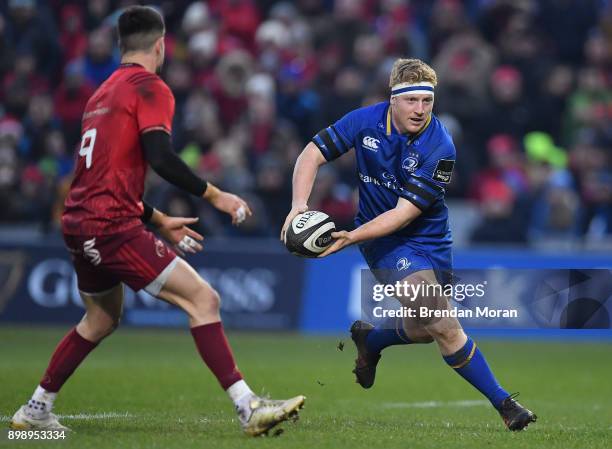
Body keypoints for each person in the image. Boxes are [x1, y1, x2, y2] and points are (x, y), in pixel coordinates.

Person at [10, 6, 304, 437]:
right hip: (109, 224)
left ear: (121, 46)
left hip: (80, 221)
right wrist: (216, 195)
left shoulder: (101, 94)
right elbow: (162, 157)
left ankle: (35, 411)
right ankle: (248, 407)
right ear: (161, 45)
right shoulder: (151, 87)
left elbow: (102, 175)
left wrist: (158, 218)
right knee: (203, 301)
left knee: (100, 319)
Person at [281, 58, 536, 431]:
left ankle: (373, 340)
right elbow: (311, 154)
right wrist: (298, 208)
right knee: (446, 327)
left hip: (428, 237)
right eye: (412, 100)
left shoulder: (440, 146)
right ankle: (505, 404)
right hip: (384, 242)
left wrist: (350, 235)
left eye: (427, 102)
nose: (420, 110)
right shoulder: (363, 120)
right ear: (393, 99)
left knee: (423, 328)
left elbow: (404, 213)